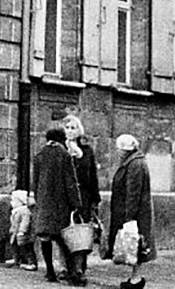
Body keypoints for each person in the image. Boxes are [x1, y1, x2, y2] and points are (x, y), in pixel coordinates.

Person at [32, 124, 82, 284]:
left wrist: (38, 200)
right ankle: (72, 273)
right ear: (61, 139)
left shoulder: (39, 155)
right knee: (64, 239)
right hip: (61, 204)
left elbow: (35, 182)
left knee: (45, 238)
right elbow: (70, 182)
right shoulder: (64, 155)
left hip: (44, 203)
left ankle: (49, 271)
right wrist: (76, 203)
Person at [107, 134, 155, 289]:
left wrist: (129, 217)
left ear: (125, 150)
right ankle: (135, 277)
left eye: (119, 149)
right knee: (136, 245)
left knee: (136, 244)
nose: (117, 152)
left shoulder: (134, 164)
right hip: (135, 212)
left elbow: (133, 193)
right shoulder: (134, 162)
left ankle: (136, 279)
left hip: (135, 214)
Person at [64, 114, 102, 280]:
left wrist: (95, 199)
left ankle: (79, 269)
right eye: (67, 127)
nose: (70, 131)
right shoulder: (60, 149)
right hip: (64, 197)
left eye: (73, 128)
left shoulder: (86, 151)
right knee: (65, 231)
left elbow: (91, 176)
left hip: (83, 197)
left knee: (81, 233)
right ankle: (65, 267)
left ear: (79, 130)